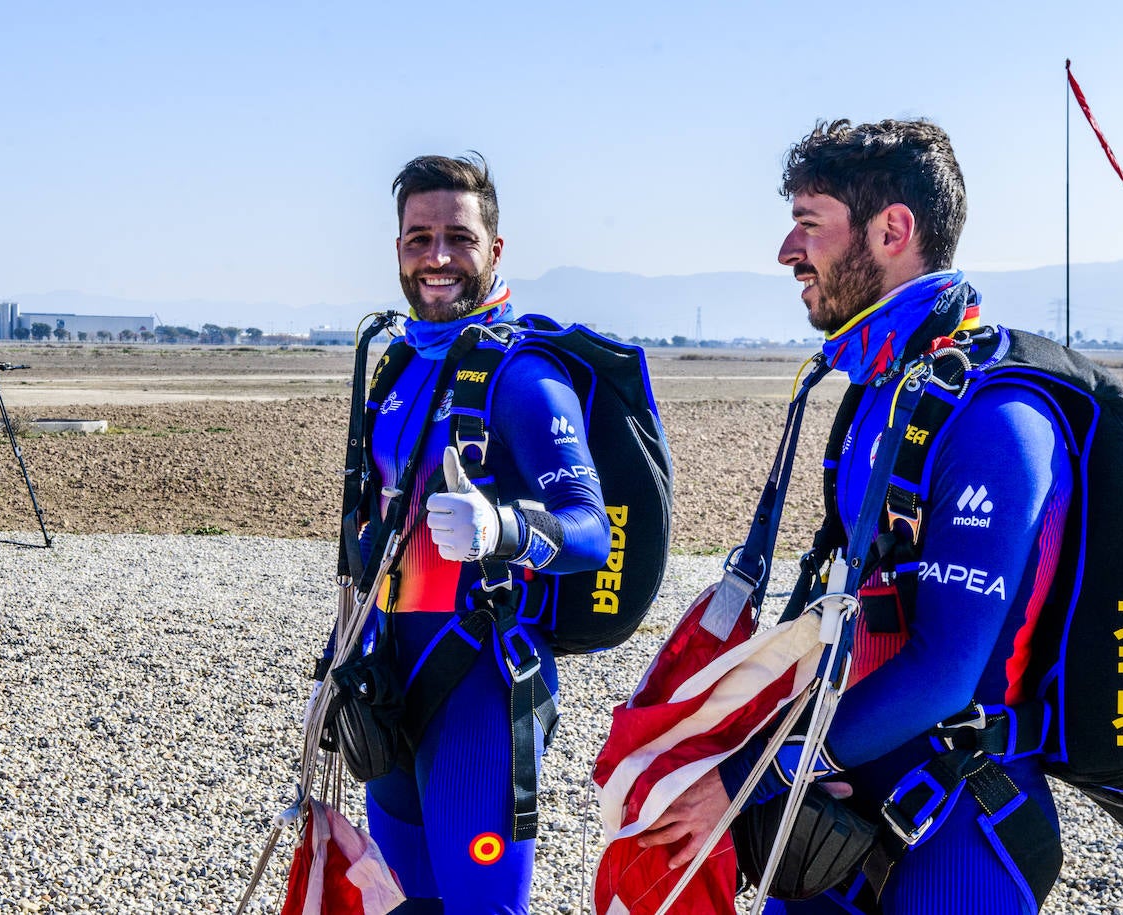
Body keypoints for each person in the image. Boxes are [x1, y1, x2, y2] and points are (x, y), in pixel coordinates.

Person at [641, 120, 1070, 914]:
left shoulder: (994, 416)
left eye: (809, 223)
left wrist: (746, 780)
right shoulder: (885, 391)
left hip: (957, 828)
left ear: (892, 229)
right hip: (836, 799)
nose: (785, 251)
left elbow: (945, 670)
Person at [352, 154, 610, 914]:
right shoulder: (400, 367)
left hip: (478, 691)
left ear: (495, 249)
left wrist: (502, 528)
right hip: (389, 687)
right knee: (404, 906)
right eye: (417, 238)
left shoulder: (523, 377)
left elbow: (589, 532)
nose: (436, 257)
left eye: (458, 238)